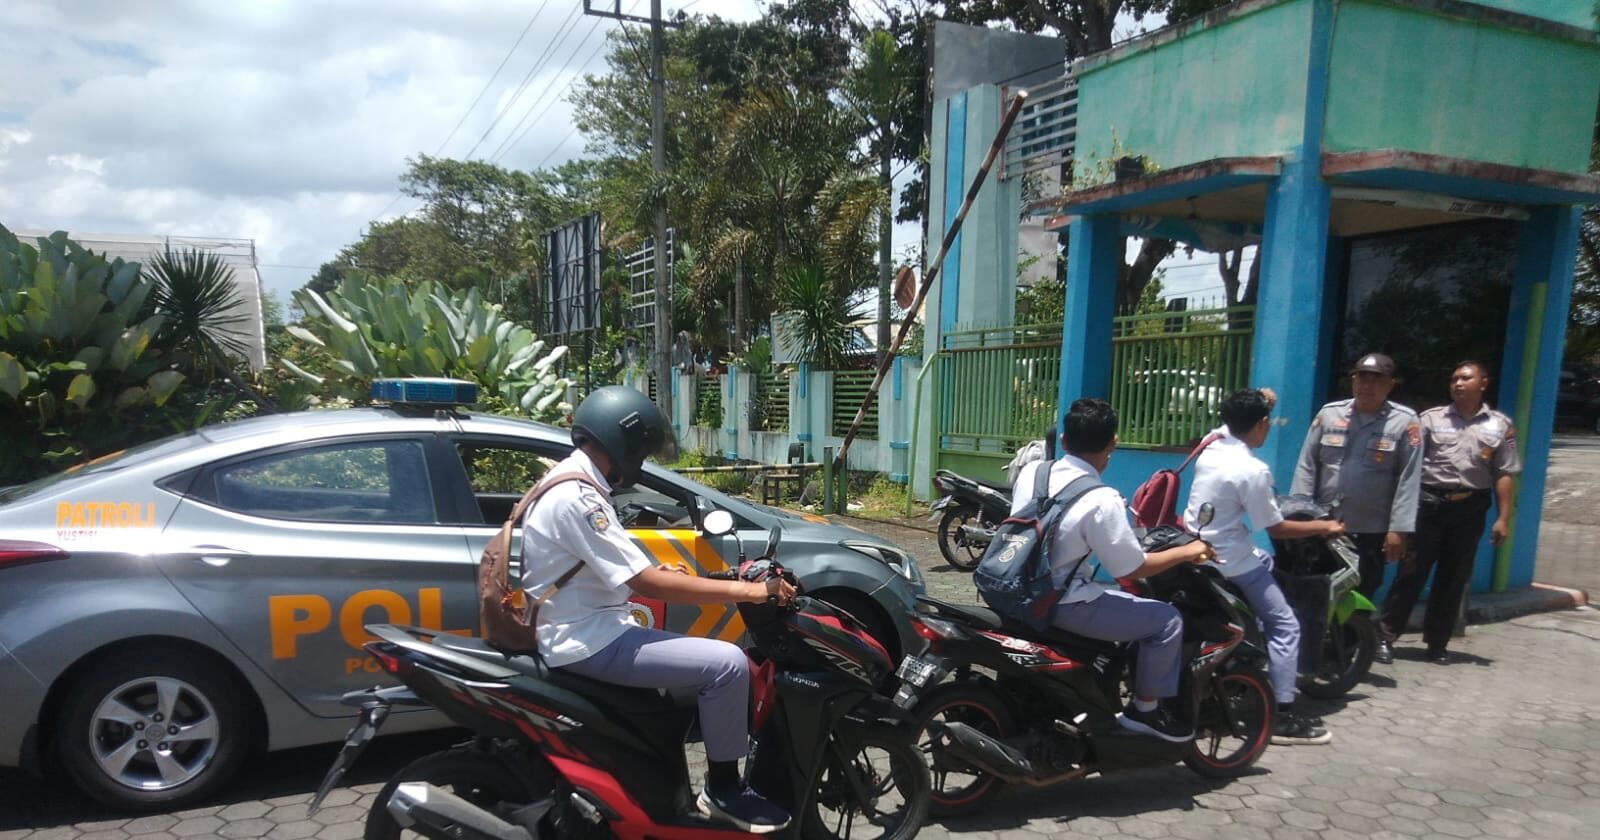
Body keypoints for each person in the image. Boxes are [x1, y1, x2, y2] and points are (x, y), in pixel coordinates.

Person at [521, 385, 797, 833]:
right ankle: (724, 789)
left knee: (696, 671)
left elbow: (601, 559)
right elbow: (645, 583)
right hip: (589, 639)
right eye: (642, 451)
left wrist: (656, 567)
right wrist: (750, 594)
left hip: (586, 629)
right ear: (624, 441)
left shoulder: (572, 482)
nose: (641, 462)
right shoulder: (579, 496)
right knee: (727, 664)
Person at [1012, 398, 1214, 743]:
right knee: (1167, 621)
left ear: (1063, 441)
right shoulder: (1101, 499)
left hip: (1015, 587)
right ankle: (1144, 712)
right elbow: (1133, 567)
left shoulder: (1035, 472)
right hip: (1062, 602)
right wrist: (1187, 551)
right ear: (1112, 445)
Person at [1186, 388, 1344, 745]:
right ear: (1261, 424)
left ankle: (1253, 650)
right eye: (1267, 422)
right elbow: (1276, 527)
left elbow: (1235, 423)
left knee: (1266, 560)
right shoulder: (1252, 470)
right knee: (1286, 625)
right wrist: (1326, 526)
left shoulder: (1211, 445)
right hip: (1232, 560)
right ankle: (1283, 715)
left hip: (1198, 548)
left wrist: (1262, 404)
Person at [1377, 361, 1520, 664]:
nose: (1458, 383)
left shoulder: (1500, 425)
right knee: (1411, 572)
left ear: (1483, 383)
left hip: (1470, 508)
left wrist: (1503, 518)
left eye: (1466, 378)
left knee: (1453, 577)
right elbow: (1410, 466)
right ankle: (1385, 637)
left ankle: (1437, 643)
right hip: (1429, 505)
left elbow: (1504, 473)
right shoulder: (1429, 420)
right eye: (1454, 378)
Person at [1291, 353, 1422, 600]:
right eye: (1361, 378)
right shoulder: (1329, 414)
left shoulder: (1405, 422)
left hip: (1370, 529)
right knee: (1317, 588)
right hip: (1324, 523)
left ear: (1390, 384)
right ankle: (1322, 639)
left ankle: (1356, 638)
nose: (1366, 385)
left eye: (1376, 380)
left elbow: (1409, 477)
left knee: (1362, 591)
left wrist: (1399, 528)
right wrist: (1302, 515)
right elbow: (1306, 465)